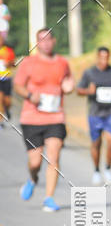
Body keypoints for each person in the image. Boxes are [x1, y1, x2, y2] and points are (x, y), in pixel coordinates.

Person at [14, 28, 74, 211]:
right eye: (42, 40)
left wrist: (69, 86)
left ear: (54, 41)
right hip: (32, 118)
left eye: (48, 39)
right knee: (35, 162)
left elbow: (68, 81)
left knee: (54, 158)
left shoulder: (63, 63)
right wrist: (30, 95)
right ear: (37, 43)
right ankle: (33, 178)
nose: (46, 43)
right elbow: (18, 86)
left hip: (56, 117)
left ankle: (49, 197)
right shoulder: (28, 63)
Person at [77, 46, 111, 184]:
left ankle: (108, 169)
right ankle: (96, 170)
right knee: (96, 143)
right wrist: (88, 91)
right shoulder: (90, 73)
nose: (104, 60)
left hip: (110, 113)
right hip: (95, 113)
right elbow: (79, 90)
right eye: (101, 57)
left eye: (106, 57)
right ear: (97, 57)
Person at [0, 39, 15, 125]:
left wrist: (8, 63)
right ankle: (1, 120)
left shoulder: (8, 51)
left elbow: (14, 63)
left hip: (6, 78)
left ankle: (7, 109)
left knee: (7, 101)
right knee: (0, 98)